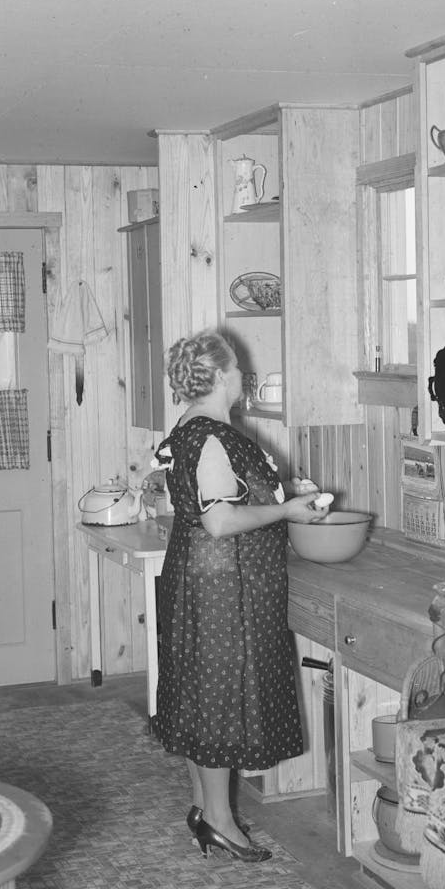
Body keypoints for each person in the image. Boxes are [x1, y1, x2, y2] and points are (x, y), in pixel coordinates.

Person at [152, 330, 326, 863]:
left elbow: (217, 498)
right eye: (237, 369)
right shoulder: (209, 435)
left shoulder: (189, 428)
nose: (242, 378)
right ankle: (223, 823)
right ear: (224, 377)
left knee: (201, 696)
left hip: (201, 576)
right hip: (222, 583)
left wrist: (282, 494)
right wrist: (289, 512)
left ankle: (207, 811)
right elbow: (221, 519)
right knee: (218, 700)